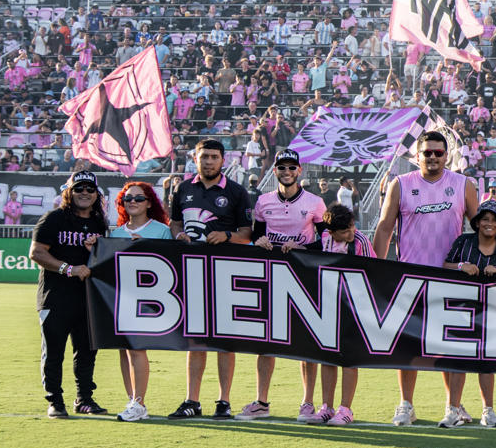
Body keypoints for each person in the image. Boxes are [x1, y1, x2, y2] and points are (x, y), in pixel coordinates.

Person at [373, 129, 479, 426]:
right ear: (416, 156)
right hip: (411, 277)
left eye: (438, 152)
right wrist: (375, 269)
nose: (433, 157)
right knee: (409, 346)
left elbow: (481, 226)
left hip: (451, 277)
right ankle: (406, 404)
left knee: (452, 345)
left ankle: (453, 407)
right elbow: (384, 227)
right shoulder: (401, 184)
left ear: (447, 156)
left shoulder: (463, 184)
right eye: (427, 152)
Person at [166, 139, 253, 419]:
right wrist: (178, 234)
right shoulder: (182, 188)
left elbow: (247, 233)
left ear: (223, 160)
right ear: (195, 157)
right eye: (204, 156)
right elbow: (175, 221)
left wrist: (227, 236)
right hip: (192, 271)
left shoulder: (237, 192)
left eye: (214, 157)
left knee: (225, 340)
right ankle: (192, 400)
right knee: (196, 339)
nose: (209, 162)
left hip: (227, 272)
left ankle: (223, 401)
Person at [241, 150, 329, 422]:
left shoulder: (315, 202)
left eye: (292, 167)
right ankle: (262, 401)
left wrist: (301, 246)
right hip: (270, 275)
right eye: (282, 167)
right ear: (275, 170)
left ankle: (307, 403)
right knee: (266, 341)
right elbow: (256, 234)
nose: (287, 171)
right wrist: (259, 241)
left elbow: (326, 240)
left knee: (307, 341)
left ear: (299, 171)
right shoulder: (264, 201)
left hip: (304, 276)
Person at [28, 172, 109, 418]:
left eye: (89, 189)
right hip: (55, 297)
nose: (84, 193)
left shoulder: (100, 223)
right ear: (68, 192)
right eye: (78, 189)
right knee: (54, 351)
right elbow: (37, 253)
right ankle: (55, 400)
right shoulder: (53, 219)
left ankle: (84, 399)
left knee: (86, 351)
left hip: (87, 299)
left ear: (97, 194)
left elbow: (103, 259)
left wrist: (96, 250)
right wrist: (69, 269)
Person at [443, 198, 496, 426]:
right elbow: (444, 265)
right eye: (485, 219)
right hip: (461, 309)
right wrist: (461, 266)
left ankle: (488, 410)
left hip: (491, 312)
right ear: (477, 223)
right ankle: (453, 409)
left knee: (487, 362)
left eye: (495, 221)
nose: (489, 224)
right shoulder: (463, 242)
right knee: (459, 361)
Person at [105, 180, 171, 421]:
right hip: (122, 298)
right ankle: (133, 399)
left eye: (138, 198)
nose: (132, 202)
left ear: (149, 202)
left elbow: (169, 265)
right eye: (128, 198)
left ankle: (139, 402)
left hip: (150, 299)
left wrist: (142, 248)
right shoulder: (116, 233)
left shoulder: (161, 230)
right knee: (124, 350)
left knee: (136, 348)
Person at [311, 204, 373, 425]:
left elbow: (371, 271)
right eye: (345, 231)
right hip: (328, 306)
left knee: (349, 358)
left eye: (352, 226)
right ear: (331, 231)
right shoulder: (325, 240)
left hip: (353, 307)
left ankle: (345, 409)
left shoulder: (361, 242)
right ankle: (326, 407)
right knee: (327, 358)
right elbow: (308, 253)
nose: (351, 232)